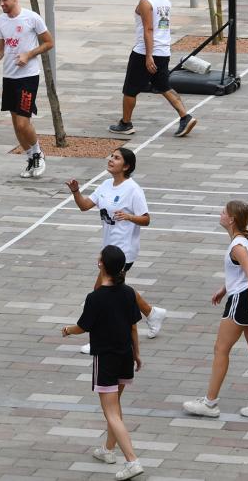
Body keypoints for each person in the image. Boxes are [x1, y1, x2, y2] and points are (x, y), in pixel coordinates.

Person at [183, 201, 248, 419]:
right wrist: (225, 288)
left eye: (223, 212)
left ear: (232, 219)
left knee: (221, 349)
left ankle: (209, 403)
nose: (220, 214)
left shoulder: (237, 246)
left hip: (245, 299)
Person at [66, 147, 167, 353]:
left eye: (116, 158)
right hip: (108, 247)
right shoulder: (105, 185)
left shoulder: (133, 190)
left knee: (100, 293)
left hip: (124, 250)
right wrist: (76, 192)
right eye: (111, 156)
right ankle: (151, 313)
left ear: (127, 166)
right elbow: (85, 205)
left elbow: (146, 219)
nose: (111, 159)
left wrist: (129, 217)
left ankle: (97, 338)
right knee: (117, 289)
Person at [60, 245, 145, 481]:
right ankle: (108, 450)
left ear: (102, 266)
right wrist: (137, 354)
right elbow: (133, 327)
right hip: (125, 355)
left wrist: (67, 330)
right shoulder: (129, 293)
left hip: (106, 359)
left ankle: (132, 461)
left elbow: (83, 326)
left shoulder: (95, 298)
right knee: (116, 408)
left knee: (111, 413)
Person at [109, 0, 197, 138]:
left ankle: (125, 123)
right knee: (163, 86)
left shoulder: (146, 1)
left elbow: (148, 29)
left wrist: (148, 56)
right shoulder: (164, 0)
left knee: (130, 90)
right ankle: (185, 117)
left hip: (144, 52)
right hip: (163, 51)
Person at [0, 0, 54, 179]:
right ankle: (31, 158)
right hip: (9, 77)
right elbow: (1, 48)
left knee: (24, 123)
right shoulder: (0, 21)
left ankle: (38, 154)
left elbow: (49, 42)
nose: (1, 3)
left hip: (28, 77)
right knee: (16, 125)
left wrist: (29, 54)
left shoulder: (32, 18)